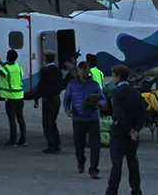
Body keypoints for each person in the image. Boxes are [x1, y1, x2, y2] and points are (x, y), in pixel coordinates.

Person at [106, 65, 146, 195]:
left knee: (116, 164)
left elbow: (119, 114)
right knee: (132, 162)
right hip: (133, 133)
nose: (112, 79)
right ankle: (136, 190)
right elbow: (143, 112)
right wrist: (136, 129)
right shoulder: (135, 92)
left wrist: (128, 129)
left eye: (113, 76)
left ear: (118, 77)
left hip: (119, 132)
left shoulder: (116, 92)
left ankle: (112, 191)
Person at [62, 61, 106, 179]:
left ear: (88, 71)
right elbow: (66, 100)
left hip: (92, 119)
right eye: (80, 70)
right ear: (77, 71)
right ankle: (81, 161)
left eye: (85, 70)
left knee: (95, 146)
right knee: (79, 145)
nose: (83, 72)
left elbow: (103, 99)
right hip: (78, 119)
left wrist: (98, 104)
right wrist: (67, 110)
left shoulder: (95, 85)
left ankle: (93, 169)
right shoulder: (72, 84)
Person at [0, 49, 26, 146]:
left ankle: (13, 140)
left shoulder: (5, 69)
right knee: (20, 119)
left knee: (12, 120)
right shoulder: (18, 67)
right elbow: (8, 68)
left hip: (10, 98)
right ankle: (23, 139)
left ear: (8, 57)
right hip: (20, 96)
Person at [33, 49, 62, 153]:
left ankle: (51, 144)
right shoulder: (58, 70)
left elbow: (41, 87)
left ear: (45, 59)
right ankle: (57, 143)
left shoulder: (44, 71)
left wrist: (36, 98)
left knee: (47, 123)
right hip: (56, 99)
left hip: (48, 100)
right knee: (53, 122)